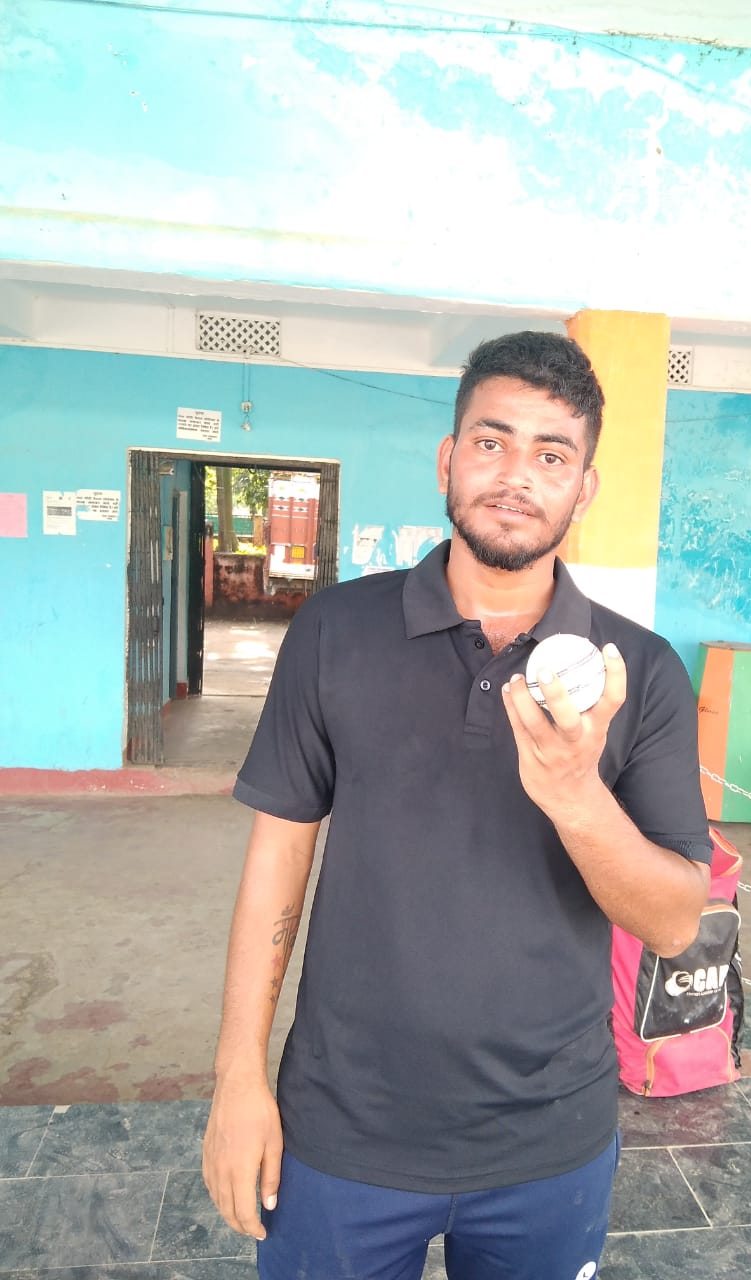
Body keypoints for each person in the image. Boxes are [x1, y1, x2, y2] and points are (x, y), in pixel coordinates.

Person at [202, 330, 712, 1280]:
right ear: (448, 458)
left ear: (585, 488)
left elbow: (676, 921)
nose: (516, 476)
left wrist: (576, 797)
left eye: (552, 455)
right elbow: (278, 858)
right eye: (491, 441)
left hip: (548, 1141)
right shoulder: (335, 631)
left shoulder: (638, 673)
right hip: (341, 1129)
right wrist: (238, 1075)